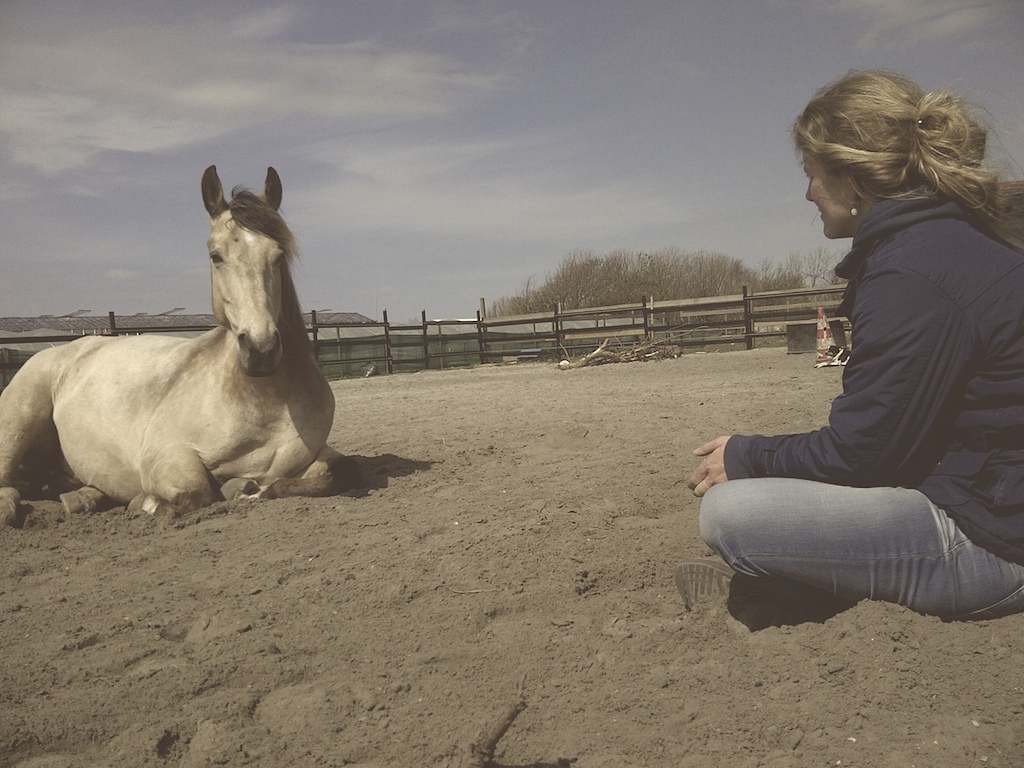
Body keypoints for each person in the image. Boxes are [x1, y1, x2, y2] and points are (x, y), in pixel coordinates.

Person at [676, 70, 1024, 626]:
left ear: (852, 178)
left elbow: (863, 455)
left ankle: (810, 586)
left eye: (813, 174)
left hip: (994, 542)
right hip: (992, 495)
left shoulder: (911, 271)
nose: (809, 192)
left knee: (729, 513)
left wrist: (747, 454)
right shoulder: (950, 240)